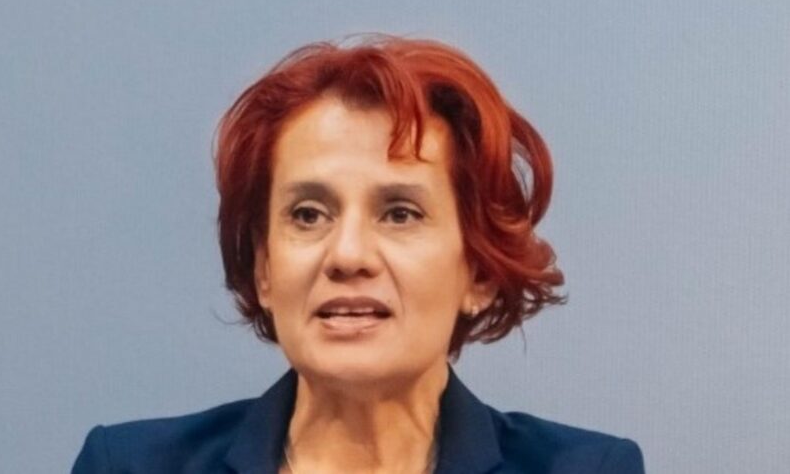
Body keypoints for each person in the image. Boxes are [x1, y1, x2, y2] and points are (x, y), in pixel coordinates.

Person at [72, 34, 645, 474]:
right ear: (264, 269)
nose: (347, 255)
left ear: (479, 271)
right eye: (308, 215)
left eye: (400, 213)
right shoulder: (126, 465)